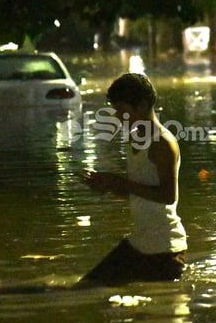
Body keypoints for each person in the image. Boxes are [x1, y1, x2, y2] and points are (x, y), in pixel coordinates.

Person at [79, 73, 187, 285]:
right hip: (140, 242)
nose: (119, 117)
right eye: (116, 111)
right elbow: (140, 193)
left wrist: (119, 182)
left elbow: (167, 196)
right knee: (85, 288)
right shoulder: (134, 138)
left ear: (143, 104)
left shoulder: (162, 143)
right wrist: (109, 186)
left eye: (123, 111)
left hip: (163, 248)